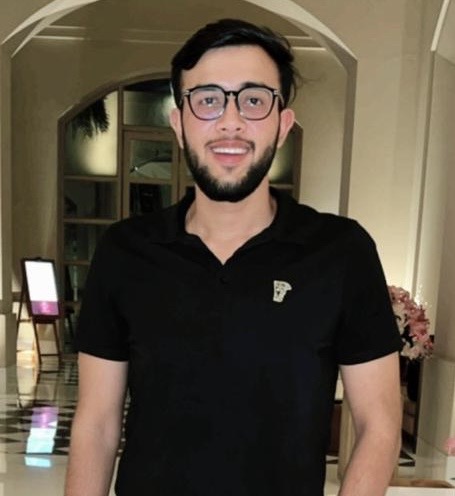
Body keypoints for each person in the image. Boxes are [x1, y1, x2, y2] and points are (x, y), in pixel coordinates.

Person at [65, 18, 403, 496]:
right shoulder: (125, 252)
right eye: (207, 100)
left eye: (253, 100)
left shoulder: (341, 252)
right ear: (179, 124)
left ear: (282, 124)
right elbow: (96, 425)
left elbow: (379, 424)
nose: (230, 121)